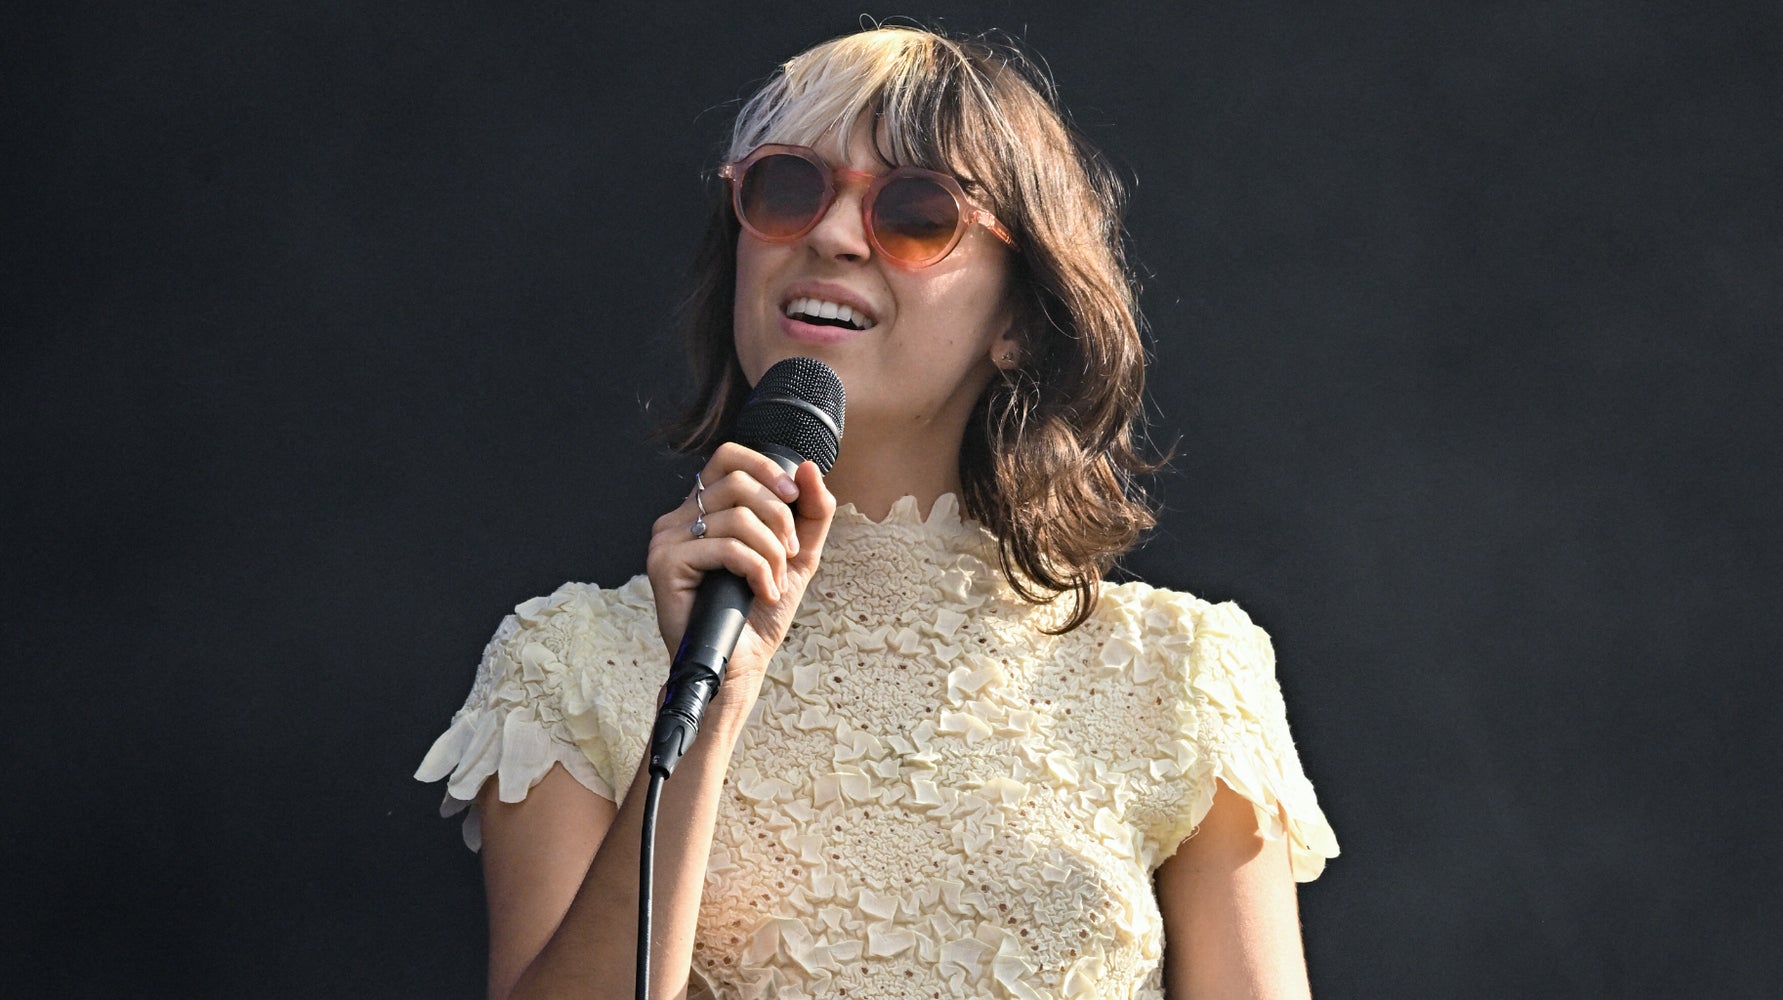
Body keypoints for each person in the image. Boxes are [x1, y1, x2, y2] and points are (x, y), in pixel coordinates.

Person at [416, 24, 1338, 999]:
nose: (830, 234)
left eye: (914, 211)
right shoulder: (567, 662)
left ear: (1019, 318)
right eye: (785, 189)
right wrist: (717, 691)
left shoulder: (1181, 673)